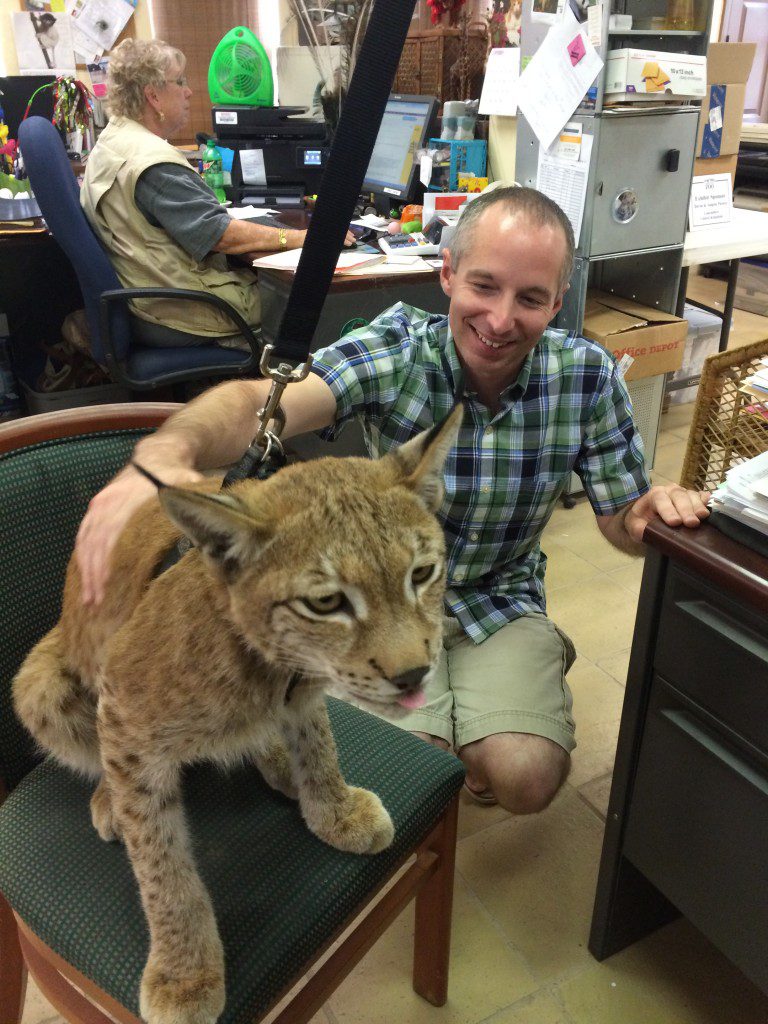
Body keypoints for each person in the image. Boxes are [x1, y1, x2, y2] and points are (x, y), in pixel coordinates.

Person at [75, 186, 710, 813]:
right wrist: (167, 449)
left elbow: (620, 519)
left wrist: (647, 515)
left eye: (531, 299)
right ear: (448, 273)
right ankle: (460, 729)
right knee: (411, 765)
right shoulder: (399, 348)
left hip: (500, 596)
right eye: (484, 286)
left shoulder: (587, 376)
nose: (499, 319)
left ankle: (504, 700)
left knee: (526, 777)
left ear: (557, 303)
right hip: (381, 604)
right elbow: (258, 404)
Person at [80, 38, 352, 349]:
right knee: (319, 302)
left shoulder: (114, 139)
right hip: (182, 311)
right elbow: (219, 235)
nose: (189, 91)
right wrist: (302, 237)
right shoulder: (152, 162)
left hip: (152, 294)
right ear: (153, 96)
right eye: (179, 81)